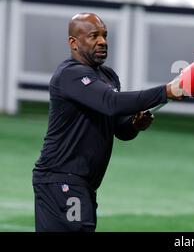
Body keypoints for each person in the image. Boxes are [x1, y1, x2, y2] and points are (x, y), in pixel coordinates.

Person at [32, 13, 184, 232]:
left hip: (83, 184)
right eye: (94, 36)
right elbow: (111, 102)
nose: (103, 41)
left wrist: (134, 124)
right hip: (60, 180)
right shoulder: (69, 74)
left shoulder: (108, 77)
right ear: (73, 43)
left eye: (104, 35)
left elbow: (120, 129)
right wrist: (166, 91)